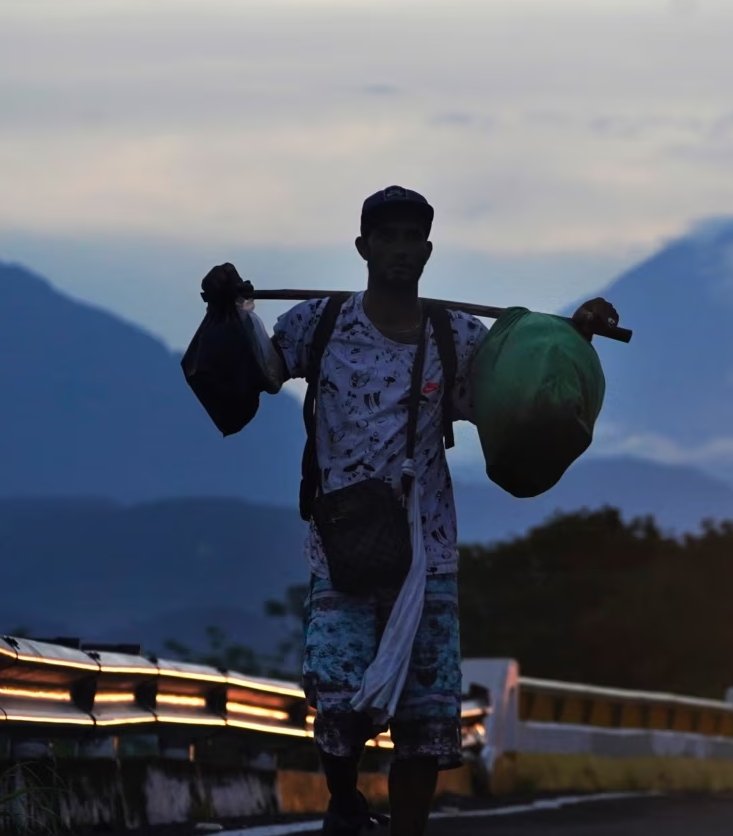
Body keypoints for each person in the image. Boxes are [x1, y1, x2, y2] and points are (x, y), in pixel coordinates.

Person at [200, 185, 619, 836]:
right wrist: (233, 306)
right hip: (340, 546)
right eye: (386, 236)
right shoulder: (322, 323)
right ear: (363, 247)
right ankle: (343, 804)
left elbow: (522, 389)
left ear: (427, 250)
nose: (399, 248)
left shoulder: (457, 338)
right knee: (337, 708)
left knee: (424, 727)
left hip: (427, 554)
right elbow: (262, 369)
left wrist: (573, 337)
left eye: (411, 237)